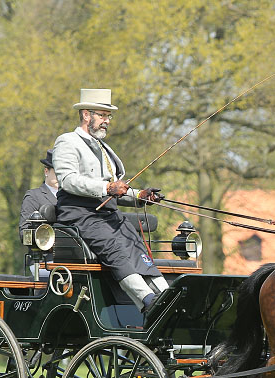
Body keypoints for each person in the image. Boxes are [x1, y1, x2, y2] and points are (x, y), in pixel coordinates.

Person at [52, 88, 168, 316]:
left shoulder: (104, 148)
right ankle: (147, 301)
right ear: (87, 115)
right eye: (102, 115)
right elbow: (67, 180)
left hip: (108, 214)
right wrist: (106, 187)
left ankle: (166, 298)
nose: (107, 121)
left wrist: (139, 196)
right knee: (116, 247)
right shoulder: (68, 141)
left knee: (136, 246)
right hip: (80, 214)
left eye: (108, 116)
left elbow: (116, 189)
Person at [18, 149, 58, 241]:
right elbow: (24, 233)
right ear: (46, 171)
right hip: (46, 252)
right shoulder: (33, 196)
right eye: (56, 172)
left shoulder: (72, 196)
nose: (60, 176)